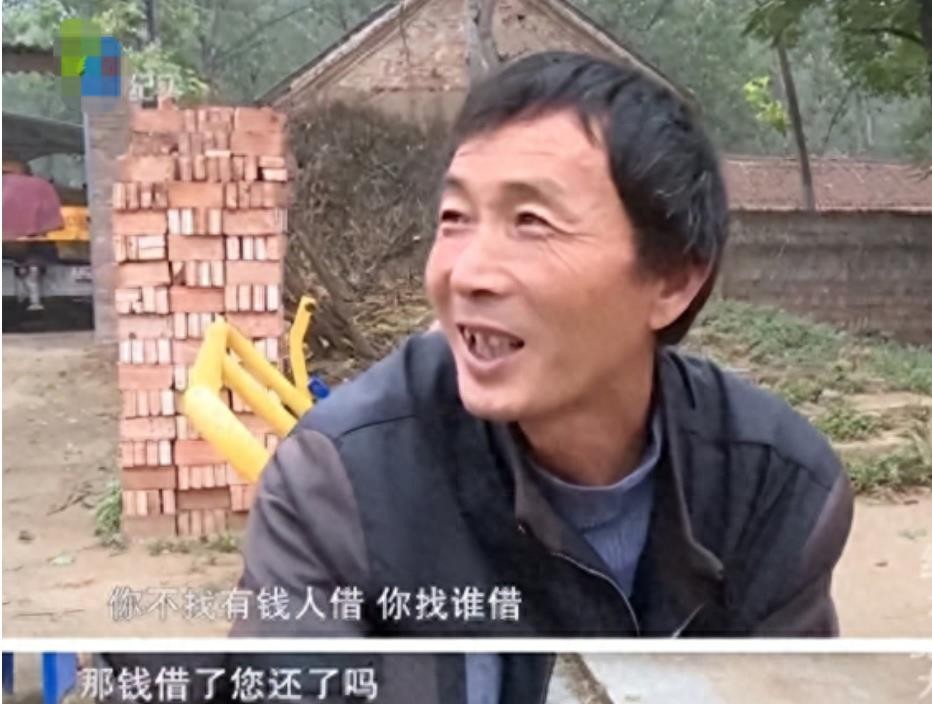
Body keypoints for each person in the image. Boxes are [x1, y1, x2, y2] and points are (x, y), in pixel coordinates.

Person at [236, 51, 853, 637]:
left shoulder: (771, 485)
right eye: (455, 219)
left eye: (531, 222)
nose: (468, 274)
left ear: (672, 279)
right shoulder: (339, 479)